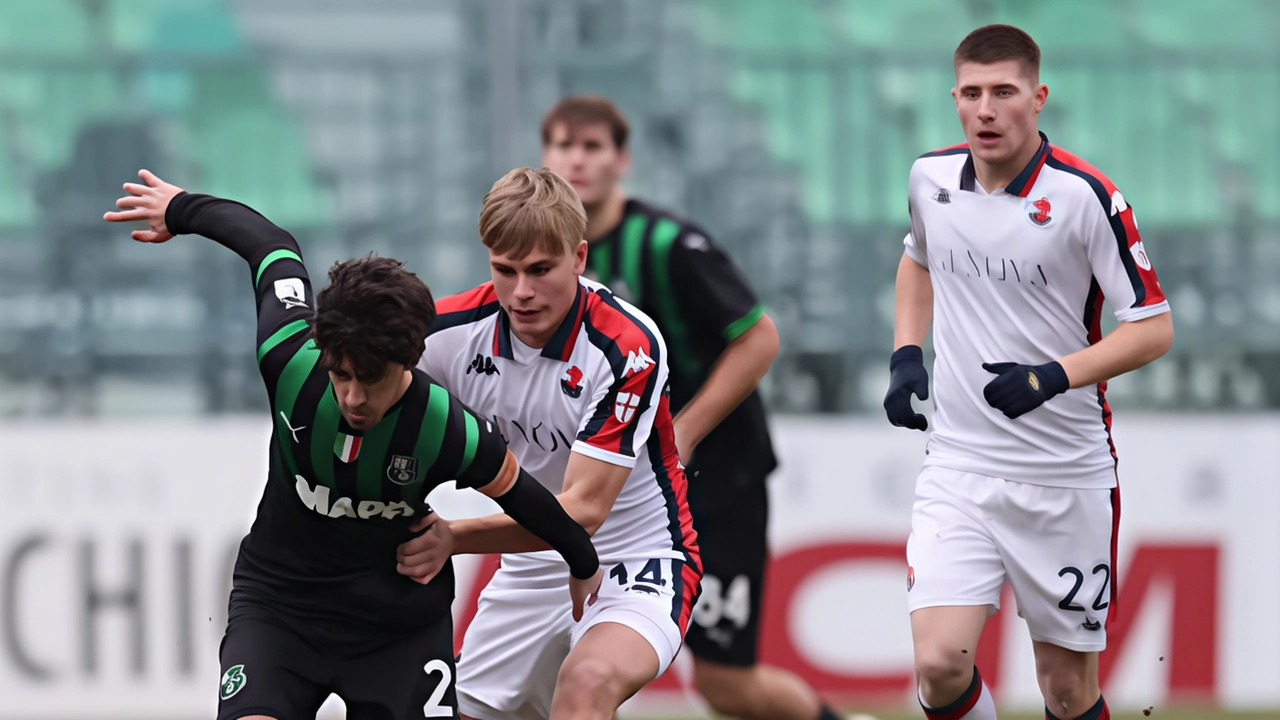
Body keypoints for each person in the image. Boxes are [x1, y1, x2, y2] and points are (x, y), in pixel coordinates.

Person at [103, 170, 602, 720]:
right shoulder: (289, 359)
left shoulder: (449, 429)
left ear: (410, 361)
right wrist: (182, 209)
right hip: (281, 608)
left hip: (398, 628)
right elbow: (272, 247)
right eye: (341, 374)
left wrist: (582, 565)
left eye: (372, 378)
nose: (353, 397)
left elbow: (533, 503)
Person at [883, 25, 1174, 720]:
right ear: (954, 98)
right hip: (959, 463)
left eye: (1004, 92)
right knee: (937, 664)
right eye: (973, 93)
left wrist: (1053, 376)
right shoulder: (930, 178)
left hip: (1064, 474)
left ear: (1037, 98)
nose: (987, 109)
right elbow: (917, 259)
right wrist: (904, 353)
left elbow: (1154, 328)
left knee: (1067, 691)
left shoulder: (1087, 198)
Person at [537, 95, 843, 720]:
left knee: (726, 685)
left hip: (715, 482)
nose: (577, 159)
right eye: (564, 145)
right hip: (621, 483)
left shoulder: (667, 243)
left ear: (622, 160)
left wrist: (685, 431)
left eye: (592, 146)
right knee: (575, 661)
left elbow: (759, 337)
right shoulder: (541, 260)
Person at [393, 167, 701, 720]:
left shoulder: (626, 346)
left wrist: (452, 539)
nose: (521, 292)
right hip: (531, 566)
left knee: (587, 683)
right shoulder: (446, 332)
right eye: (504, 270)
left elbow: (583, 512)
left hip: (635, 559)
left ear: (579, 258)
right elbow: (354, 386)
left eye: (540, 269)